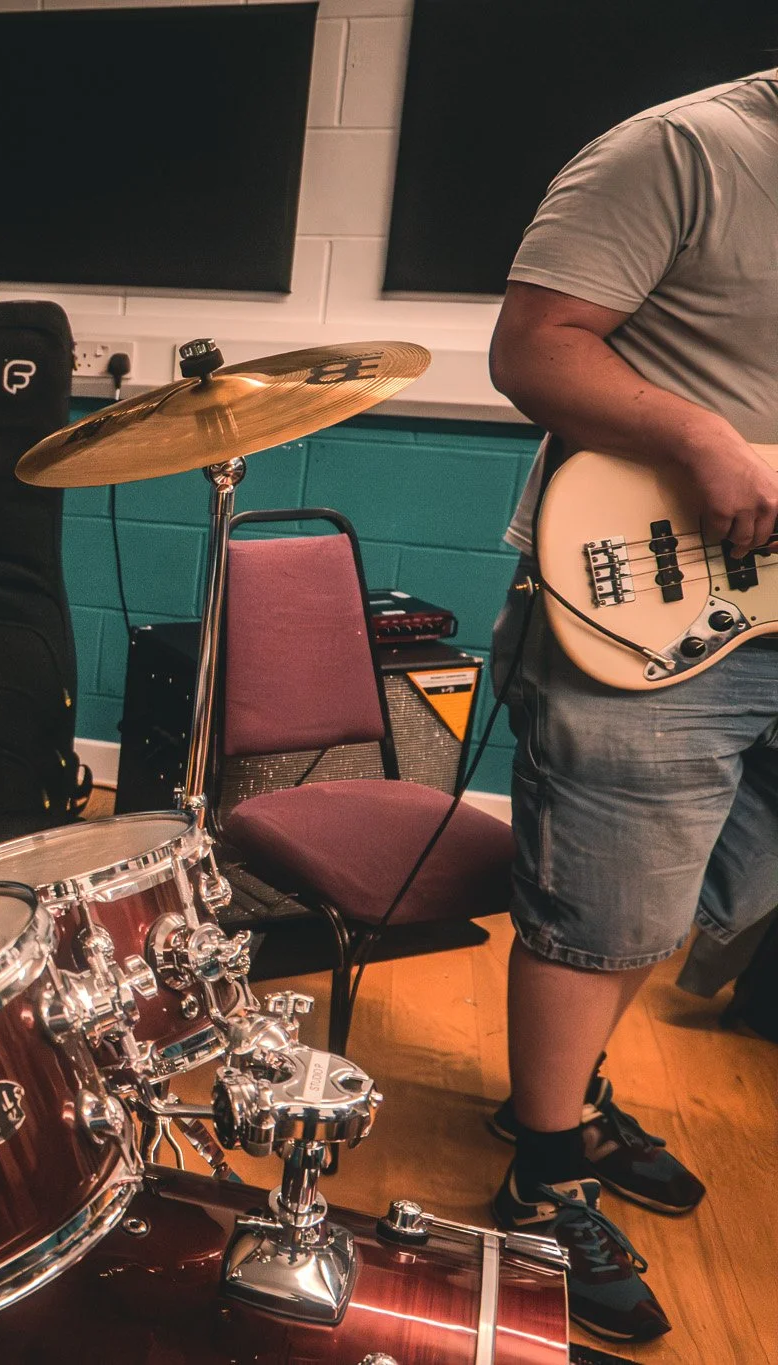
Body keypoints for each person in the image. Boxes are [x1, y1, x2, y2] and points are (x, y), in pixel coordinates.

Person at [486, 70, 778, 1342]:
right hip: (660, 594)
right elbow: (530, 343)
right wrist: (699, 436)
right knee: (605, 900)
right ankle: (539, 1176)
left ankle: (570, 1097)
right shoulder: (684, 148)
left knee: (711, 890)